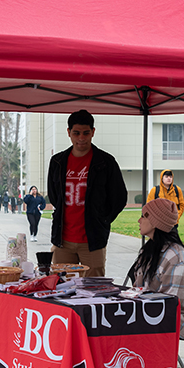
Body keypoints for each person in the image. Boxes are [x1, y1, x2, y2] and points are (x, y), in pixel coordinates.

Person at [47, 109, 127, 277]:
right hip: (63, 240)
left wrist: (102, 220)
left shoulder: (106, 162)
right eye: (76, 133)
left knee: (94, 288)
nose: (81, 138)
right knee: (62, 287)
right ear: (69, 133)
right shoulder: (57, 162)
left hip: (92, 240)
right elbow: (54, 196)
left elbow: (119, 197)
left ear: (93, 132)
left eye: (86, 133)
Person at [130, 198, 184, 339]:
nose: (139, 220)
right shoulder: (149, 250)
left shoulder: (177, 258)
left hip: (174, 319)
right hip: (149, 311)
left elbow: (171, 303)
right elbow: (138, 289)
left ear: (155, 222)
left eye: (143, 216)